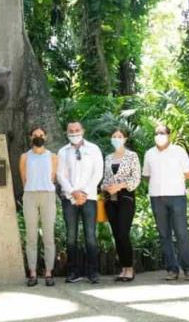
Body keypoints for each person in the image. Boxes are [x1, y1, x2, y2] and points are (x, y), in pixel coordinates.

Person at [143, 124, 189, 281]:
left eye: (162, 133)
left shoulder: (178, 152)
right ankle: (171, 269)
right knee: (164, 234)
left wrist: (172, 181)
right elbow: (146, 175)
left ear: (169, 135)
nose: (159, 135)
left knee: (181, 233)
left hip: (177, 196)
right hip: (157, 197)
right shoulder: (149, 153)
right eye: (157, 133)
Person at [56, 121, 104, 284]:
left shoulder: (94, 149)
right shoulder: (63, 152)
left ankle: (93, 272)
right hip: (70, 199)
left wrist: (83, 192)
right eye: (71, 130)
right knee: (71, 237)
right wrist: (73, 192)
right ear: (66, 132)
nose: (74, 133)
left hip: (89, 197)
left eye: (77, 130)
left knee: (90, 236)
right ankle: (73, 272)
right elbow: (60, 175)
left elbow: (98, 173)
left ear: (83, 130)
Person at [19, 126, 58, 287]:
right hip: (30, 195)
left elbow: (53, 176)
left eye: (41, 134)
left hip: (48, 195)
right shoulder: (24, 157)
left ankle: (49, 272)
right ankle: (33, 273)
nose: (38, 137)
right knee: (31, 236)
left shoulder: (53, 157)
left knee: (49, 236)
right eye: (35, 135)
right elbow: (23, 177)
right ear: (30, 137)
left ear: (46, 137)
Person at [101, 127, 141, 282]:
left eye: (120, 136)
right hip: (110, 200)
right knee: (116, 235)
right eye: (114, 136)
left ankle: (130, 268)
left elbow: (136, 179)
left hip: (126, 199)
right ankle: (123, 269)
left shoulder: (132, 156)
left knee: (124, 234)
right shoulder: (108, 157)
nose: (117, 138)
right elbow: (105, 178)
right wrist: (106, 187)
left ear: (125, 139)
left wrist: (120, 186)